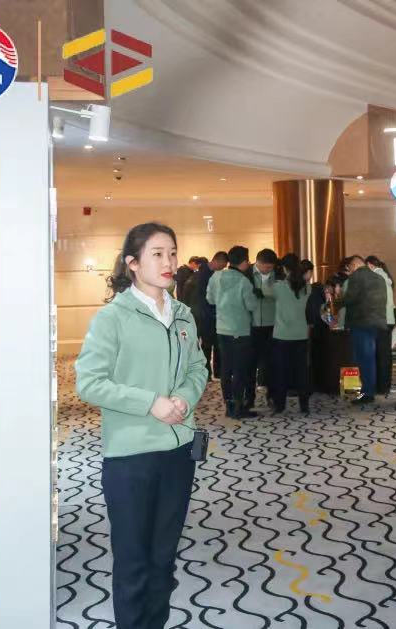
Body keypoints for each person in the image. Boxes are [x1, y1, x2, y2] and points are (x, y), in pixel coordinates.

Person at [75, 223, 207, 629]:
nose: (169, 262)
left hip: (178, 452)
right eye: (157, 254)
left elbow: (198, 367)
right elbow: (89, 383)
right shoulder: (113, 318)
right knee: (134, 561)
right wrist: (151, 403)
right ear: (132, 263)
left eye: (173, 252)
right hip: (131, 456)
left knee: (163, 559)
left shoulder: (183, 315)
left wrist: (184, 396)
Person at [206, 246, 259, 419]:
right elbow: (251, 305)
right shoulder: (244, 281)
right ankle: (238, 407)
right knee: (240, 369)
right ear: (243, 262)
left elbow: (210, 299)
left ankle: (229, 406)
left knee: (226, 368)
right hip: (240, 330)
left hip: (221, 328)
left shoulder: (216, 276)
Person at [266, 255, 313, 415]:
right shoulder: (307, 287)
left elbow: (264, 290)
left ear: (284, 269)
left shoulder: (278, 287)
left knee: (281, 371)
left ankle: (280, 405)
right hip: (301, 334)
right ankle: (304, 405)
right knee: (301, 371)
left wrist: (271, 275)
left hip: (282, 335)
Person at [339, 255, 387, 405]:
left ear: (354, 265)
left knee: (360, 359)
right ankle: (367, 391)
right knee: (369, 358)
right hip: (376, 322)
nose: (349, 271)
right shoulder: (379, 278)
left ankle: (365, 393)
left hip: (360, 322)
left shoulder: (356, 277)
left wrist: (339, 296)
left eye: (349, 268)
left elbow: (349, 299)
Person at [190, 251, 228, 380]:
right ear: (217, 261)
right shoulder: (203, 274)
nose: (222, 269)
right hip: (204, 314)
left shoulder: (208, 273)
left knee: (214, 344)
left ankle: (216, 372)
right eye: (222, 266)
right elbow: (203, 296)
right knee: (206, 345)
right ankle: (206, 373)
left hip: (209, 313)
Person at [251, 249, 279, 407]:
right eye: (266, 267)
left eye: (271, 268)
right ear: (258, 263)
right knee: (250, 361)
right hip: (251, 324)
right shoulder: (248, 274)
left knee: (272, 361)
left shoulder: (278, 275)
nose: (268, 270)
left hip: (272, 324)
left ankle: (272, 396)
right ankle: (249, 398)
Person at [366, 255, 396, 395]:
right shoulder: (384, 276)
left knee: (380, 355)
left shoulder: (377, 276)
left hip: (380, 319)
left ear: (370, 265)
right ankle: (384, 386)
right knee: (384, 354)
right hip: (387, 319)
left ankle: (381, 387)